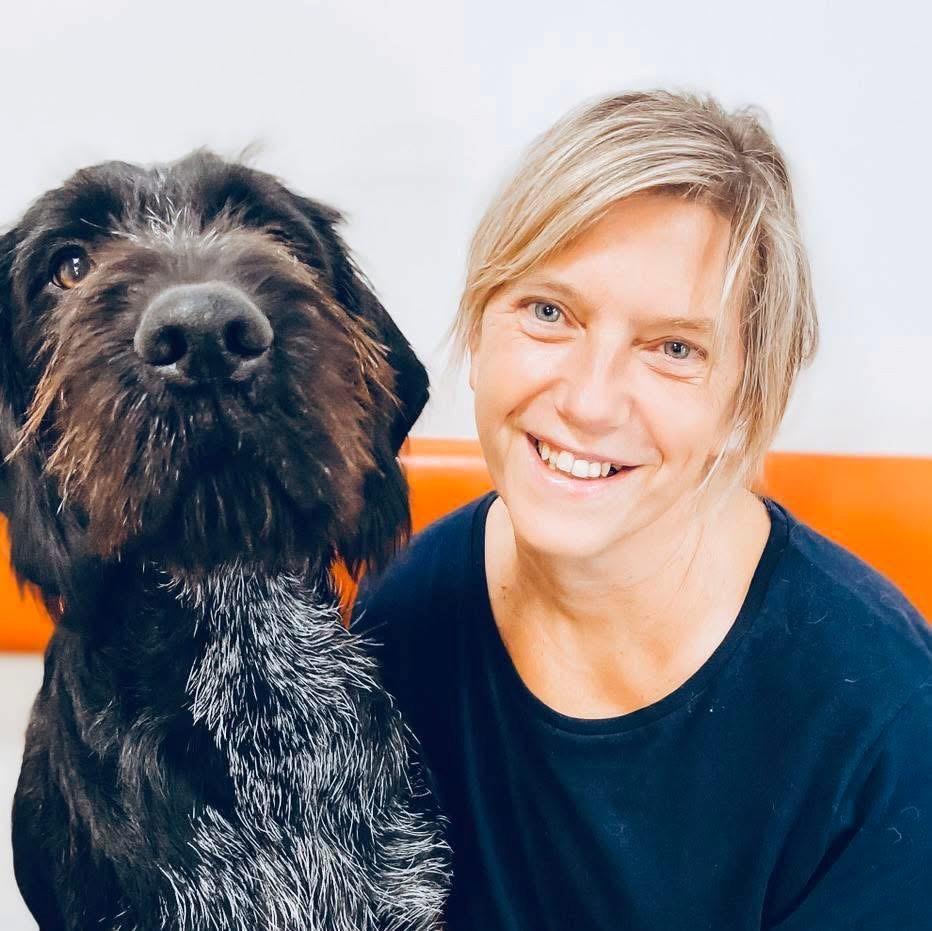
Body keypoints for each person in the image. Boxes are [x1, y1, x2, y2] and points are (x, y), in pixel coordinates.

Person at [351, 90, 932, 930]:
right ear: (479, 331)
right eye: (549, 312)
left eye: (673, 349)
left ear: (745, 405)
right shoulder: (399, 620)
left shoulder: (883, 727)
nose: (590, 401)